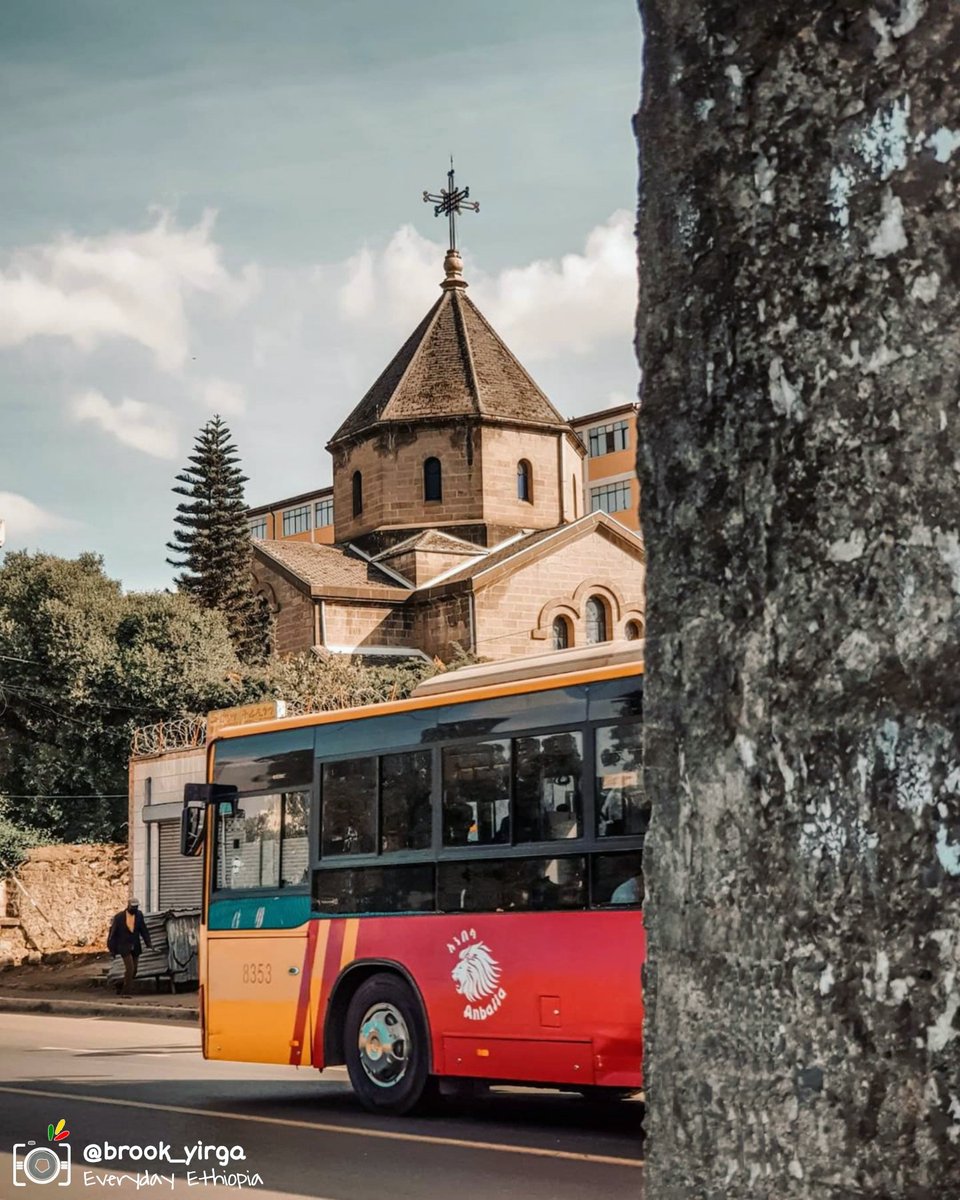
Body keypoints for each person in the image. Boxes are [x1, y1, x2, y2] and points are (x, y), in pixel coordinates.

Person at [107, 899, 153, 996]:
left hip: (135, 946)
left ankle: (120, 984)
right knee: (130, 968)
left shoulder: (139, 915)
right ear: (128, 906)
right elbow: (113, 934)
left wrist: (148, 943)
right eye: (133, 907)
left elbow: (143, 930)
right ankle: (126, 992)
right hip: (124, 946)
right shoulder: (119, 917)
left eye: (136, 907)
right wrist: (112, 950)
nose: (135, 909)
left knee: (134, 970)